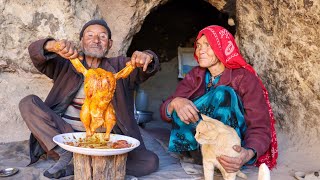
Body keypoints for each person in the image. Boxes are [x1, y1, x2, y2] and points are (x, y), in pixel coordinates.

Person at [19, 19, 160, 178]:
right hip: (66, 134)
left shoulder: (120, 65)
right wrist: (53, 45)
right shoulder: (67, 63)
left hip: (105, 139)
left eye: (102, 36)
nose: (96, 40)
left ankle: (77, 165)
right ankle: (65, 153)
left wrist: (146, 56)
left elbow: (147, 66)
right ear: (81, 41)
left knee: (150, 162)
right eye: (90, 35)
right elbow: (35, 52)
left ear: (110, 44)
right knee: (28, 102)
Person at [160, 25, 278, 173]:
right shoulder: (194, 75)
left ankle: (224, 158)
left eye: (208, 45)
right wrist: (175, 102)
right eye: (199, 45)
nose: (200, 50)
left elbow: (259, 125)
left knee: (223, 94)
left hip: (228, 150)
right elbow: (165, 111)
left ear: (221, 47)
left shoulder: (244, 78)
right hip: (198, 146)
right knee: (179, 104)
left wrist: (247, 153)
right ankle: (195, 154)